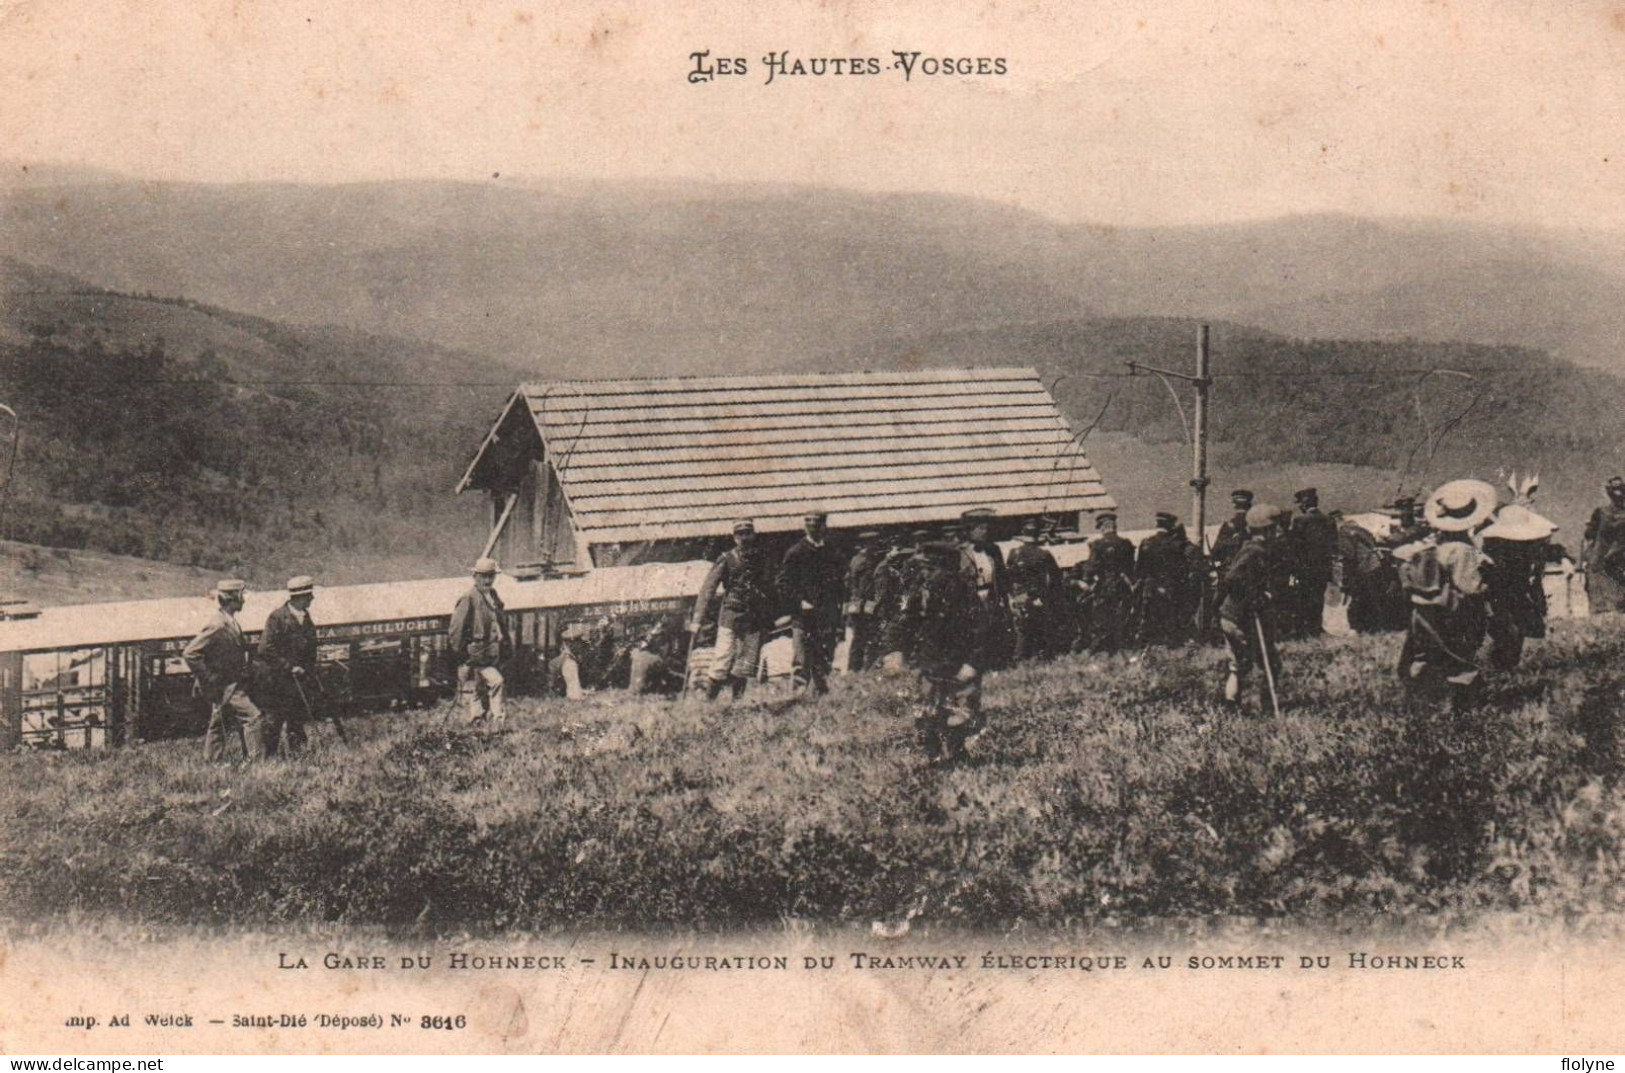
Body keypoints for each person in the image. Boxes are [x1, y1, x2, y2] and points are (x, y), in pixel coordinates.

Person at [1394, 480, 1496, 708]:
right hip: (1453, 613)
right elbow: (1470, 587)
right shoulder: (1463, 551)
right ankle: (1463, 706)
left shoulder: (1430, 548)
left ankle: (1421, 699)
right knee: (1459, 657)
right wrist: (1488, 583)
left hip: (1424, 611)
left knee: (1426, 656)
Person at [905, 540, 982, 766]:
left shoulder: (965, 594)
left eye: (930, 569)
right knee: (925, 711)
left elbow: (981, 631)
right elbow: (905, 623)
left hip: (958, 662)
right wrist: (896, 650)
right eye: (924, 570)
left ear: (946, 569)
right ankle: (933, 755)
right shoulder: (920, 593)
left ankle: (957, 753)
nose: (926, 575)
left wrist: (973, 662)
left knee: (960, 710)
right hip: (928, 661)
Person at [691, 519, 778, 701]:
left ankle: (737, 703)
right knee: (722, 657)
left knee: (746, 663)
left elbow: (769, 588)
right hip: (730, 615)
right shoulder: (727, 559)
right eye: (740, 534)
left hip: (753, 617)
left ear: (754, 535)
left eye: (748, 533)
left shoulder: (762, 559)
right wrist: (697, 619)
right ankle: (709, 701)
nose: (744, 537)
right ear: (734, 537)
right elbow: (708, 589)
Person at [183, 578, 267, 763]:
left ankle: (212, 762)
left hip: (230, 685)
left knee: (218, 723)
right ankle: (257, 764)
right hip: (227, 685)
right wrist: (210, 679)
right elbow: (190, 653)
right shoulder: (218, 624)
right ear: (232, 598)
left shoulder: (229, 622)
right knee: (254, 719)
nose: (244, 600)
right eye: (241, 596)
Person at [1216, 505, 1285, 712]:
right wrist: (1255, 595)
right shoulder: (1255, 551)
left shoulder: (1250, 548)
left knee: (1239, 665)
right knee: (1269, 663)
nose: (1278, 532)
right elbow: (1233, 578)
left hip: (1230, 616)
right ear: (1267, 531)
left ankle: (1231, 706)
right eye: (1276, 528)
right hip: (1240, 617)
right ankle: (1266, 707)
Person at [1480, 502, 1557, 670]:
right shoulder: (1492, 550)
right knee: (1509, 633)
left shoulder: (1525, 548)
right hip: (1498, 596)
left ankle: (1508, 667)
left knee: (1518, 633)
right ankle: (1501, 666)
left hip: (1517, 594)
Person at [777, 509, 846, 695]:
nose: (814, 529)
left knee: (824, 656)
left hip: (826, 614)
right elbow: (783, 584)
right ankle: (797, 697)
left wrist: (838, 608)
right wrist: (799, 602)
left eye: (818, 525)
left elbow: (839, 583)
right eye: (810, 525)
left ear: (824, 526)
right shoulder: (796, 552)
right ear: (805, 527)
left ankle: (821, 696)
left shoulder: (832, 552)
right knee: (802, 657)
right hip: (803, 616)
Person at [257, 575, 319, 755]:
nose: (312, 599)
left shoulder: (305, 617)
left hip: (298, 681)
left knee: (297, 719)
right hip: (277, 681)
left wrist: (308, 670)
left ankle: (297, 756)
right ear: (300, 597)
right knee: (273, 722)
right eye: (309, 596)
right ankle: (269, 759)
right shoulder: (277, 617)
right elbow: (265, 649)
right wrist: (289, 667)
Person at [448, 557, 508, 725]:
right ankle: (498, 722)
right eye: (483, 576)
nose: (488, 580)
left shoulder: (493, 596)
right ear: (475, 576)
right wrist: (462, 656)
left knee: (479, 688)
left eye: (491, 576)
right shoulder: (469, 598)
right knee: (497, 682)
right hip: (477, 655)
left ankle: (477, 720)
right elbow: (456, 629)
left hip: (492, 653)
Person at [1005, 518, 1064, 662]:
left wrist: (1012, 595)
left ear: (1023, 534)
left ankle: (1019, 659)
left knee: (1022, 628)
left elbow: (1008, 576)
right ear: (1037, 535)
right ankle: (1041, 657)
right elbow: (1056, 577)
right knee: (1040, 627)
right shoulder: (1043, 554)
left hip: (1019, 596)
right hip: (1039, 596)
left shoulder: (1014, 553)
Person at [958, 508, 1011, 668]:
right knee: (974, 632)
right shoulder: (960, 552)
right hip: (971, 597)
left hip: (991, 595)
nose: (985, 532)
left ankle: (995, 664)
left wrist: (1004, 597)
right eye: (981, 528)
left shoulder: (993, 550)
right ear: (969, 531)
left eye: (987, 528)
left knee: (993, 629)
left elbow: (1001, 575)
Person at [1135, 512, 1197, 645]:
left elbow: (1139, 570)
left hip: (1151, 587)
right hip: (1171, 587)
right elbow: (1183, 569)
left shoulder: (1146, 543)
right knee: (1171, 619)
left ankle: (1149, 644)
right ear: (1170, 526)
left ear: (1156, 524)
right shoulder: (1178, 544)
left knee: (1149, 618)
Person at [1080, 511, 1137, 653]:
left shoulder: (1097, 545)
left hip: (1104, 586)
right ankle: (1121, 647)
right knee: (1121, 616)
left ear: (1103, 528)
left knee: (1102, 617)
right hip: (1122, 585)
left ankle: (1101, 648)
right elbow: (1130, 567)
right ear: (1114, 526)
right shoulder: (1125, 543)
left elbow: (1091, 567)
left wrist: (1087, 581)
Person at [1285, 487, 1338, 637]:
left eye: (1300, 504)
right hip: (1323, 568)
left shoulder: (1300, 521)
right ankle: (1316, 627)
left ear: (1304, 503)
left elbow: (1294, 546)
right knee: (1318, 598)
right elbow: (1334, 545)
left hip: (1305, 568)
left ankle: (1305, 630)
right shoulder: (1329, 520)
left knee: (1304, 598)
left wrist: (1294, 569)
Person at [1581, 476, 1625, 615]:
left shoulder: (1600, 512)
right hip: (1610, 561)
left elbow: (1589, 535)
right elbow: (1589, 535)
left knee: (1604, 603)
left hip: (1605, 561)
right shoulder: (1601, 512)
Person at [842, 530, 884, 672]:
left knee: (860, 637)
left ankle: (855, 668)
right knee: (864, 637)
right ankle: (861, 668)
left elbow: (848, 582)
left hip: (857, 603)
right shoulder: (866, 561)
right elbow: (865, 586)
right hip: (864, 604)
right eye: (873, 543)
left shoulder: (855, 559)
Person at [1209, 489, 1255, 575]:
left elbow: (1216, 552)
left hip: (1230, 571)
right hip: (1251, 571)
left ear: (1234, 505)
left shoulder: (1228, 526)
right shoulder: (1258, 525)